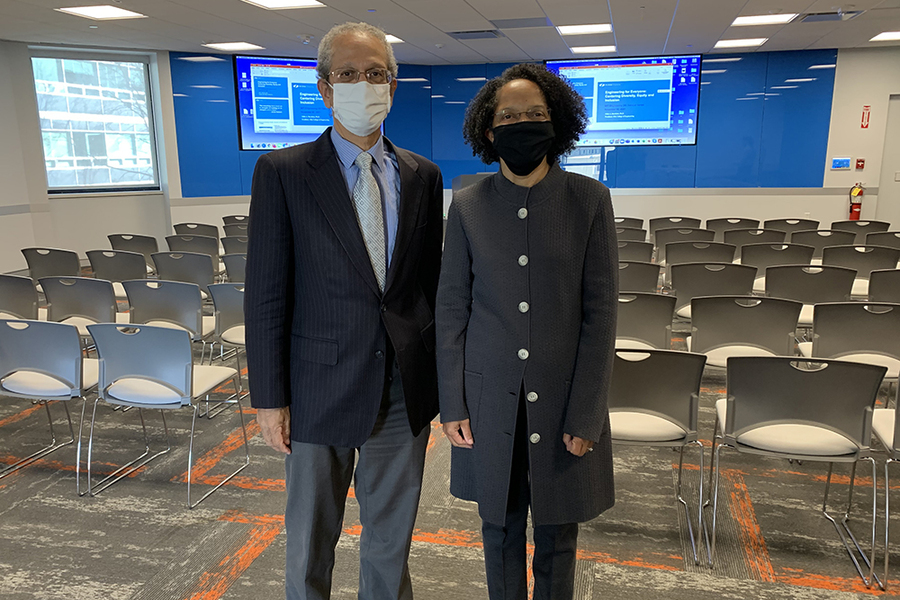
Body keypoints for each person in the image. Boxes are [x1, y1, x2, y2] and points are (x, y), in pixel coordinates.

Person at [244, 21, 444, 600]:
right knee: (310, 539)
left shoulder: (423, 176)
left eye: (376, 73)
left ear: (393, 86)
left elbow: (428, 287)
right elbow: (266, 293)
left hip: (401, 389)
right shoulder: (283, 173)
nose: (364, 84)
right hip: (316, 388)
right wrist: (269, 398)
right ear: (326, 89)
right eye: (349, 74)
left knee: (390, 540)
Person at [436, 63, 618, 600]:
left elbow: (601, 316)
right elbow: (452, 307)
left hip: (564, 397)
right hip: (490, 397)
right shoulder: (468, 205)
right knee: (499, 526)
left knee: (558, 532)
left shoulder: (589, 200)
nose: (522, 124)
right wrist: (453, 403)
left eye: (535, 114)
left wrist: (587, 412)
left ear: (556, 123)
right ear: (489, 132)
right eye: (509, 117)